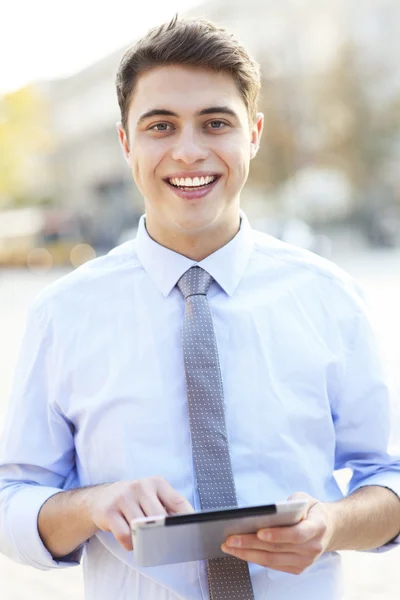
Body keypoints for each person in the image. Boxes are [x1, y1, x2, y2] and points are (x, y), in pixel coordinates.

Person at [0, 16, 400, 600]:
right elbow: (12, 503)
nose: (189, 152)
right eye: (161, 126)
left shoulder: (330, 297)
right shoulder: (64, 313)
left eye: (216, 123)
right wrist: (92, 505)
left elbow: (389, 481)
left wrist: (333, 524)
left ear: (254, 134)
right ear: (125, 142)